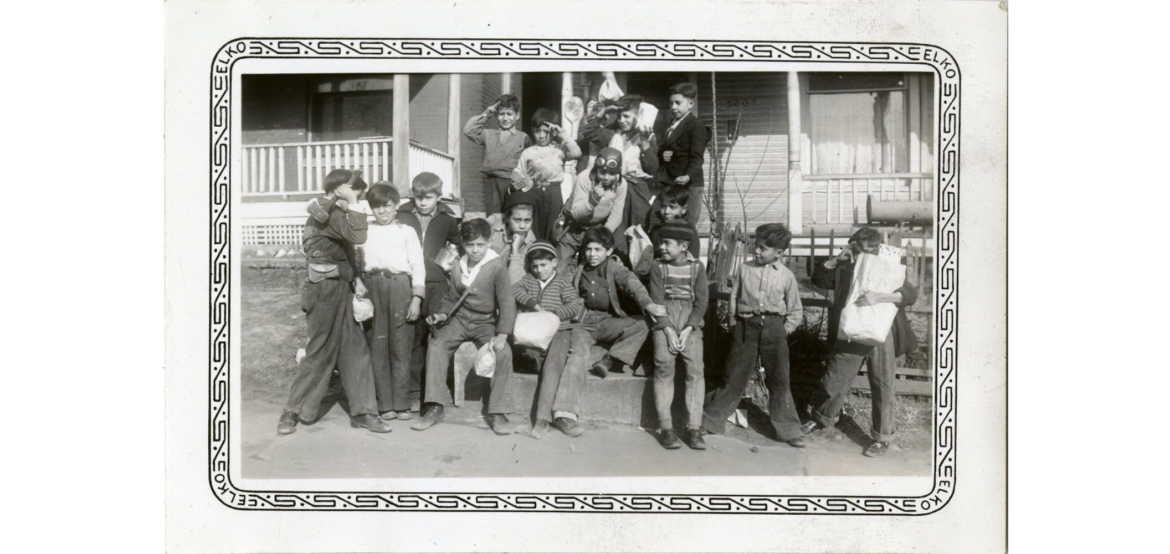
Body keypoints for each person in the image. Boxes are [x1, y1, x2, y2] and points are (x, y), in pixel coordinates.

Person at [277, 169, 392, 435]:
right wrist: (352, 202)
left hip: (343, 288)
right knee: (320, 351)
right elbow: (358, 236)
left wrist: (356, 278)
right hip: (324, 291)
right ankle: (292, 410)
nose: (358, 200)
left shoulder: (333, 213)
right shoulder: (325, 213)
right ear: (341, 190)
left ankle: (364, 412)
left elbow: (345, 250)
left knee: (355, 351)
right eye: (356, 194)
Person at [802, 227, 919, 458]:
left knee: (883, 384)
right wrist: (836, 260)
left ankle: (882, 438)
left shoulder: (888, 267)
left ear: (877, 248)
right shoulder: (847, 268)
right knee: (836, 376)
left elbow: (910, 294)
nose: (865, 253)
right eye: (859, 248)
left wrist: (880, 296)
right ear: (852, 246)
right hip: (851, 329)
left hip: (882, 332)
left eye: (870, 249)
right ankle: (822, 418)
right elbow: (819, 280)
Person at [701, 223, 805, 447]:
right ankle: (710, 420)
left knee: (779, 379)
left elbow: (795, 309)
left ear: (779, 253)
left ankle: (788, 430)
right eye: (756, 247)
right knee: (734, 374)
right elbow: (735, 295)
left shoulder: (786, 276)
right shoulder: (745, 269)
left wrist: (784, 329)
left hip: (775, 329)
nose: (757, 251)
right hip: (746, 327)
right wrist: (733, 321)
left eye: (763, 248)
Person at [412, 218, 518, 435]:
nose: (475, 250)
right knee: (437, 344)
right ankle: (434, 405)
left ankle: (498, 411)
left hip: (485, 321)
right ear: (463, 244)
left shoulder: (496, 266)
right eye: (470, 245)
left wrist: (502, 334)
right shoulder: (459, 265)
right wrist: (441, 314)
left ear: (489, 242)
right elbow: (453, 297)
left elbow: (507, 302)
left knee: (504, 353)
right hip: (459, 319)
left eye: (480, 244)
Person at [396, 172, 462, 414]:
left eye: (429, 197)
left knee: (435, 335)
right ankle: (413, 392)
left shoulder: (447, 218)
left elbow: (456, 242)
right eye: (419, 197)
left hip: (436, 284)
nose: (423, 202)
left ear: (439, 196)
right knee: (412, 337)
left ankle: (434, 391)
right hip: (409, 283)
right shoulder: (401, 215)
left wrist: (446, 261)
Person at [360, 183, 427, 421]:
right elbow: (358, 262)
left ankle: (402, 404)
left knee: (400, 348)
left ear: (397, 206)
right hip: (373, 286)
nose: (382, 212)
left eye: (387, 206)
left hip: (401, 287)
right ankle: (384, 404)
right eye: (376, 207)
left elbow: (418, 265)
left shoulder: (406, 231)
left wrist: (416, 298)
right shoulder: (365, 231)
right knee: (378, 347)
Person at [511, 241, 591, 439]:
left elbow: (575, 305)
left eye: (543, 265)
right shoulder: (529, 280)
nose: (539, 270)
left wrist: (554, 314)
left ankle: (542, 419)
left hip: (559, 331)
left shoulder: (563, 282)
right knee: (531, 355)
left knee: (553, 368)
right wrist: (534, 305)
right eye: (535, 266)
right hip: (534, 332)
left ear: (554, 262)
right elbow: (514, 290)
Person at [570, 227, 666, 378]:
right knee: (575, 359)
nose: (592, 254)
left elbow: (631, 282)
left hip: (609, 322)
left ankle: (610, 359)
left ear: (608, 251)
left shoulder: (614, 268)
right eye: (588, 249)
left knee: (643, 323)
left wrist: (648, 304)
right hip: (584, 323)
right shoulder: (578, 270)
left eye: (597, 249)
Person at [647, 221, 709, 450]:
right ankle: (666, 428)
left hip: (690, 320)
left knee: (695, 370)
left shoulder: (697, 267)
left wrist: (689, 328)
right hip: (665, 318)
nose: (662, 247)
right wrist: (668, 330)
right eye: (661, 242)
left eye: (667, 243)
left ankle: (693, 428)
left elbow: (702, 302)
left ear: (684, 246)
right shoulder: (657, 266)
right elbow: (656, 300)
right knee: (664, 366)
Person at [580, 94, 659, 231]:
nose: (622, 120)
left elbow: (651, 168)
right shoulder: (613, 134)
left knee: (637, 231)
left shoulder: (648, 137)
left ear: (639, 116)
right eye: (619, 116)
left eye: (627, 116)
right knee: (615, 230)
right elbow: (588, 131)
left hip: (637, 191)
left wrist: (645, 142)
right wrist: (603, 111)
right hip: (613, 189)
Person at [510, 108, 582, 241]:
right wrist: (517, 185)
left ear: (553, 132)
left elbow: (577, 153)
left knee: (553, 230)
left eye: (546, 132)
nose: (542, 136)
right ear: (533, 131)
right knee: (534, 229)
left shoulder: (559, 149)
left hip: (554, 193)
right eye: (538, 131)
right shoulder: (528, 152)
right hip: (533, 193)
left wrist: (563, 135)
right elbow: (518, 173)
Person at [557, 147, 628, 267]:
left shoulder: (621, 184)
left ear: (618, 173)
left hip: (597, 228)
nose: (606, 177)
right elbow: (576, 213)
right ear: (596, 170)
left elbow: (616, 214)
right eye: (602, 172)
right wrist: (592, 201)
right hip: (574, 226)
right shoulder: (584, 178)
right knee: (559, 267)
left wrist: (602, 237)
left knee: (592, 268)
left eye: (612, 173)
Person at [650, 82, 707, 230]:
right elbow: (664, 149)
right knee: (667, 224)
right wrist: (664, 154)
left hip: (688, 184)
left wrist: (688, 176)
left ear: (690, 104)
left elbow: (697, 157)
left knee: (686, 226)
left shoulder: (696, 125)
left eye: (678, 103)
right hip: (670, 181)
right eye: (671, 103)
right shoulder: (671, 125)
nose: (673, 107)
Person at [464, 94, 530, 216]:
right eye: (501, 114)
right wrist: (486, 114)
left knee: (514, 217)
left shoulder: (523, 137)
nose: (505, 118)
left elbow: (530, 164)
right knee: (494, 219)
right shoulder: (488, 134)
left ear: (517, 116)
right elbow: (468, 130)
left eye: (509, 114)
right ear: (496, 115)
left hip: (514, 182)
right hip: (492, 184)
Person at [636, 186, 700, 279]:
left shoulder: (689, 232)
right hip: (657, 278)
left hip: (681, 280)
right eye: (663, 206)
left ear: (684, 209)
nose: (666, 212)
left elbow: (692, 263)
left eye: (672, 207)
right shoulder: (656, 230)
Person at [489, 190, 540, 286]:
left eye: (527, 220)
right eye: (517, 220)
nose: (522, 226)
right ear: (507, 218)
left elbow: (515, 283)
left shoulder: (531, 244)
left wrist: (515, 249)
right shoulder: (493, 227)